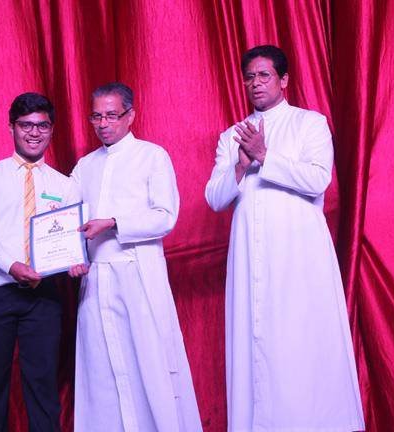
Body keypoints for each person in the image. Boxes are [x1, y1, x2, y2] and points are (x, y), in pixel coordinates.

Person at [205, 45, 365, 431]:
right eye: (249, 77)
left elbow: (317, 179)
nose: (255, 83)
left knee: (300, 338)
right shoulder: (232, 136)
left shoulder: (310, 123)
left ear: (284, 80)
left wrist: (265, 156)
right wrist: (241, 165)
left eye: (264, 75)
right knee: (255, 340)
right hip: (249, 256)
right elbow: (214, 198)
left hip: (300, 253)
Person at [68, 82, 202, 432]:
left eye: (112, 115)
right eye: (96, 116)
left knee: (149, 362)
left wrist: (114, 223)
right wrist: (71, 255)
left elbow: (165, 217)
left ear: (131, 116)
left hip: (138, 273)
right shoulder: (85, 166)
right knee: (101, 367)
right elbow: (68, 218)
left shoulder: (152, 156)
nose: (103, 124)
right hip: (96, 278)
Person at [0, 93, 78, 431]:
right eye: (26, 125)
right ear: (11, 128)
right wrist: (12, 266)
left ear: (52, 129)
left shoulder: (64, 185)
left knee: (43, 389)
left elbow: (69, 237)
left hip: (43, 297)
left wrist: (75, 260)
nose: (34, 133)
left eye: (42, 125)